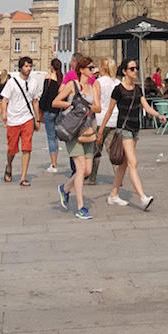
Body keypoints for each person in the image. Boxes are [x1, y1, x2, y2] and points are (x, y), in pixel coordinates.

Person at [96, 57, 166, 209]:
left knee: (124, 164)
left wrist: (158, 115)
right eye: (132, 69)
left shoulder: (137, 89)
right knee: (133, 162)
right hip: (124, 129)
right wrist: (100, 131)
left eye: (136, 68)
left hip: (135, 129)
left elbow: (146, 107)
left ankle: (113, 195)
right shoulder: (118, 90)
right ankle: (142, 197)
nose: (135, 71)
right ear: (124, 71)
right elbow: (109, 111)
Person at [53, 55, 100, 219]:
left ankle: (65, 189)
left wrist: (88, 106)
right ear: (81, 70)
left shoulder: (94, 87)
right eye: (90, 68)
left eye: (93, 68)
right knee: (80, 169)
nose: (92, 71)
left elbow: (98, 108)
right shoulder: (72, 85)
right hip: (73, 131)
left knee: (87, 170)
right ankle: (81, 207)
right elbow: (55, 102)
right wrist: (72, 105)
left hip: (88, 132)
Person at [0, 56, 42, 187]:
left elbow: (35, 101)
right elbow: (5, 99)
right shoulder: (12, 82)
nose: (28, 69)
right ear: (21, 67)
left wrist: (38, 119)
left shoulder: (34, 82)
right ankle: (9, 165)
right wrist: (4, 113)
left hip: (27, 118)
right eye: (26, 66)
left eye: (30, 66)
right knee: (12, 149)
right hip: (13, 119)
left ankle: (23, 177)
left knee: (27, 148)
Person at [89, 57, 118, 185]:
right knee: (113, 150)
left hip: (100, 120)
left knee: (96, 151)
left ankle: (92, 177)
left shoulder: (98, 83)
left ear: (101, 68)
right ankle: (118, 176)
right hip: (115, 119)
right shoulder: (117, 82)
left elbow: (95, 101)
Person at [38, 59, 63, 173]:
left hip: (49, 110)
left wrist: (40, 110)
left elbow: (44, 96)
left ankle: (53, 164)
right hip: (59, 111)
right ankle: (55, 160)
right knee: (55, 137)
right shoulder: (61, 79)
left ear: (52, 66)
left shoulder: (48, 78)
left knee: (51, 137)